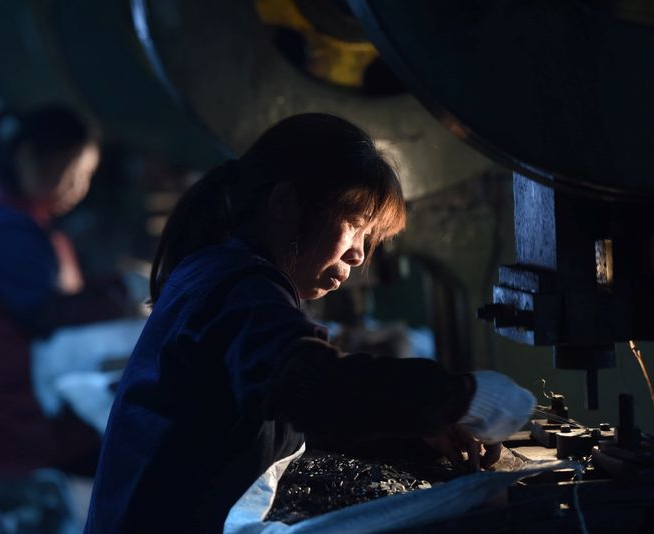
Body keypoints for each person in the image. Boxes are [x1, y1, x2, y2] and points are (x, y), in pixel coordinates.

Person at [85, 113, 535, 533]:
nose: (359, 254)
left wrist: (416, 430)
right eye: (355, 224)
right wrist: (463, 397)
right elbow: (312, 387)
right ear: (284, 204)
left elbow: (282, 417)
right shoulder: (240, 286)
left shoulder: (218, 271)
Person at [0, 105, 136, 476]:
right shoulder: (4, 228)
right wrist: (121, 299)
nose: (79, 189)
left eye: (86, 176)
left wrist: (110, 287)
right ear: (29, 157)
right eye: (71, 174)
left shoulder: (16, 213)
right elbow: (41, 312)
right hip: (2, 410)